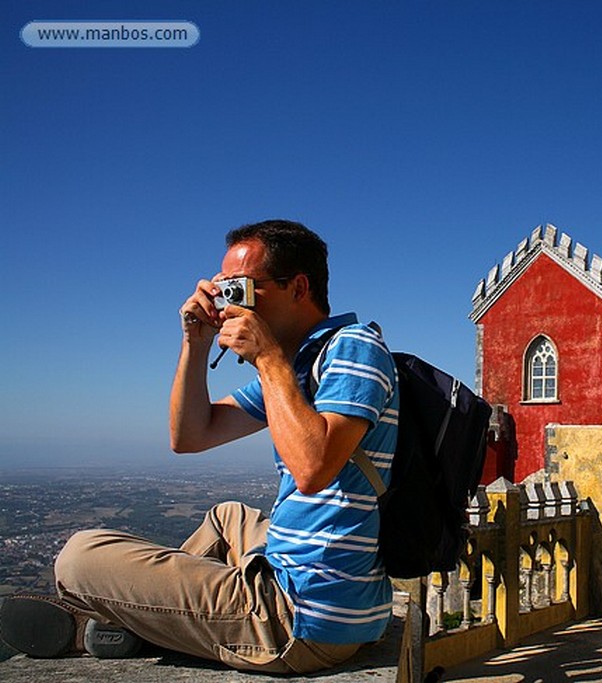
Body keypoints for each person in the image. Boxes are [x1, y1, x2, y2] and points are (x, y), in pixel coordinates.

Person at [0, 220, 398, 674]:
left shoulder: (352, 348)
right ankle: (162, 619)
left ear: (298, 287)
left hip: (301, 616)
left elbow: (313, 469)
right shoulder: (300, 366)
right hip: (321, 595)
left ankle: (128, 624)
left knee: (78, 556)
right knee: (228, 516)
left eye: (241, 288)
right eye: (223, 289)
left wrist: (267, 359)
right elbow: (190, 436)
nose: (229, 303)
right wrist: (195, 343)